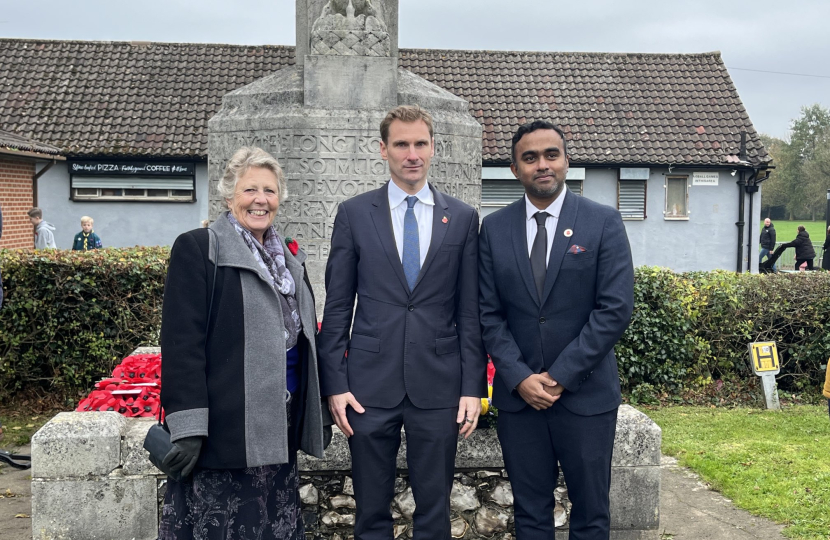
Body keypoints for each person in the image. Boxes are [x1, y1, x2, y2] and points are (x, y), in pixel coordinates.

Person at [318, 105, 487, 540]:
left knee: (434, 512)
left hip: (440, 384)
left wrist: (472, 387)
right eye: (401, 144)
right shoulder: (355, 214)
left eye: (420, 144)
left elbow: (470, 311)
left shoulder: (464, 219)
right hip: (369, 387)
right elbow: (337, 306)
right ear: (383, 149)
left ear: (433, 148)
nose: (412, 154)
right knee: (370, 512)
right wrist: (335, 384)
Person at [158, 147, 327, 540]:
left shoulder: (286, 258)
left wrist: (316, 408)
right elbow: (182, 343)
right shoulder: (200, 248)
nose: (260, 200)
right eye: (250, 189)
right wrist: (188, 426)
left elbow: (303, 339)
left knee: (272, 524)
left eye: (269, 191)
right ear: (229, 194)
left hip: (279, 426)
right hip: (225, 430)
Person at [479, 120, 634, 540]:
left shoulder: (603, 222)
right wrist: (519, 377)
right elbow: (487, 314)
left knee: (591, 514)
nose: (542, 164)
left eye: (551, 155)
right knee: (530, 514)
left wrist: (561, 375)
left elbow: (615, 309)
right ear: (515, 169)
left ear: (567, 161)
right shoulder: (493, 229)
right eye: (530, 158)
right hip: (520, 401)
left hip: (586, 398)